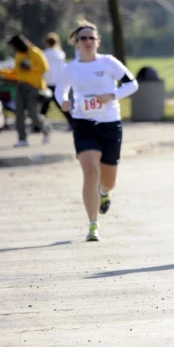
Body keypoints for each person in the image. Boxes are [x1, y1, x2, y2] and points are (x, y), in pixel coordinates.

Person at [55, 20, 139, 241]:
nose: (88, 41)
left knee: (109, 180)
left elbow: (132, 84)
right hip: (84, 124)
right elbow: (60, 91)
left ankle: (104, 193)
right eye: (83, 38)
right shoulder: (71, 68)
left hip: (110, 124)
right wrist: (63, 101)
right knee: (90, 174)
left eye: (91, 38)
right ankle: (93, 225)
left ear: (98, 42)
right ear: (76, 43)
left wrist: (112, 96)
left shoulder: (108, 63)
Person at [4, 34, 51, 147]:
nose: (14, 49)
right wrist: (3, 72)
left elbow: (45, 68)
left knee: (33, 113)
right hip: (21, 86)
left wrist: (31, 68)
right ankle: (22, 138)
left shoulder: (34, 52)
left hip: (33, 87)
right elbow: (16, 72)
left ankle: (45, 129)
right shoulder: (19, 55)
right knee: (19, 113)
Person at [41, 32, 75, 129]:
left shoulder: (44, 54)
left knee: (45, 105)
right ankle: (72, 122)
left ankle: (38, 124)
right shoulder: (61, 54)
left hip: (47, 83)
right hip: (58, 83)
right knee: (59, 105)